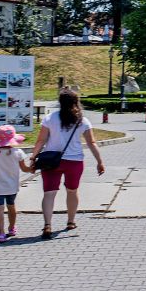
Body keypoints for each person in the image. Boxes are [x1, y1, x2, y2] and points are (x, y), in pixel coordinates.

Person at [30, 89, 106, 239]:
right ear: (76, 102)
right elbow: (91, 142)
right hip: (74, 161)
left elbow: (41, 140)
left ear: (60, 102)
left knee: (49, 194)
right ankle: (71, 221)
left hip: (51, 161)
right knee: (72, 191)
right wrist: (99, 161)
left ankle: (47, 225)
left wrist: (33, 157)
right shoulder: (82, 120)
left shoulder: (50, 118)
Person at [0, 125, 33, 243]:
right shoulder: (18, 153)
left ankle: (1, 234)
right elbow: (25, 169)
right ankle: (11, 228)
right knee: (11, 206)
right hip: (12, 186)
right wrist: (32, 168)